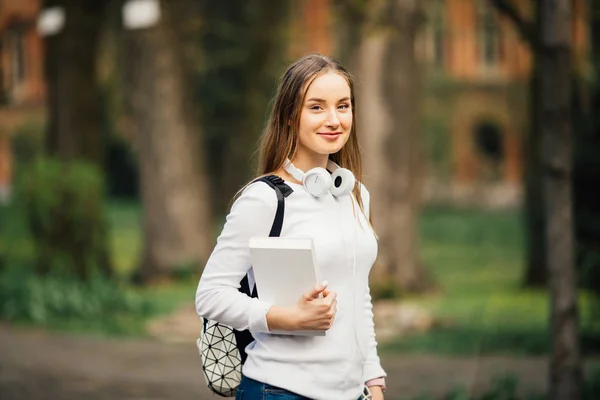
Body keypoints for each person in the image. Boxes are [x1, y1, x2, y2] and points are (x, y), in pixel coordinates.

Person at [195, 53, 387, 400]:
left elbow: (358, 294)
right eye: (316, 107)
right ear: (288, 116)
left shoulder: (356, 194)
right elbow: (210, 296)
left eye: (343, 106)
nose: (334, 119)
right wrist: (287, 318)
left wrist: (373, 379)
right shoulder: (265, 199)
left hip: (353, 393)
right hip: (280, 390)